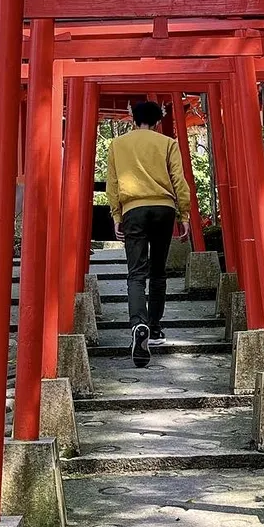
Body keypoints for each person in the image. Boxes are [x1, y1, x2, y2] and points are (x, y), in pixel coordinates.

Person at [106, 99, 191, 367]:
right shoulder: (167, 144)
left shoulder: (118, 145)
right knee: (158, 272)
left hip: (134, 209)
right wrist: (184, 215)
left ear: (134, 120)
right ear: (157, 121)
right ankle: (154, 328)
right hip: (164, 208)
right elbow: (179, 179)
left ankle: (138, 324)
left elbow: (113, 183)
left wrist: (117, 216)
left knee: (136, 273)